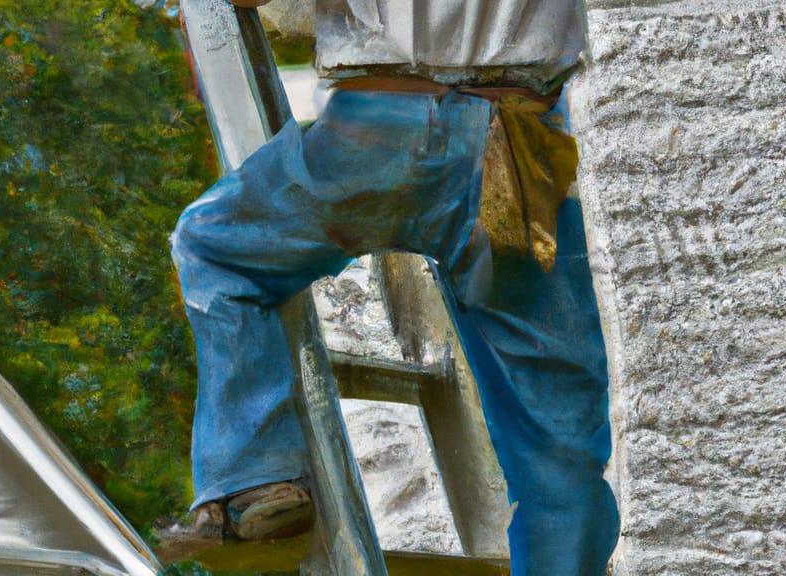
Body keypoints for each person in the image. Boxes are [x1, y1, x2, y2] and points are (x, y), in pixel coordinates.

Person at [170, 1, 620, 573]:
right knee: (558, 445)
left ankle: (257, 480)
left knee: (216, 247)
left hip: (383, 126)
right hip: (523, 140)